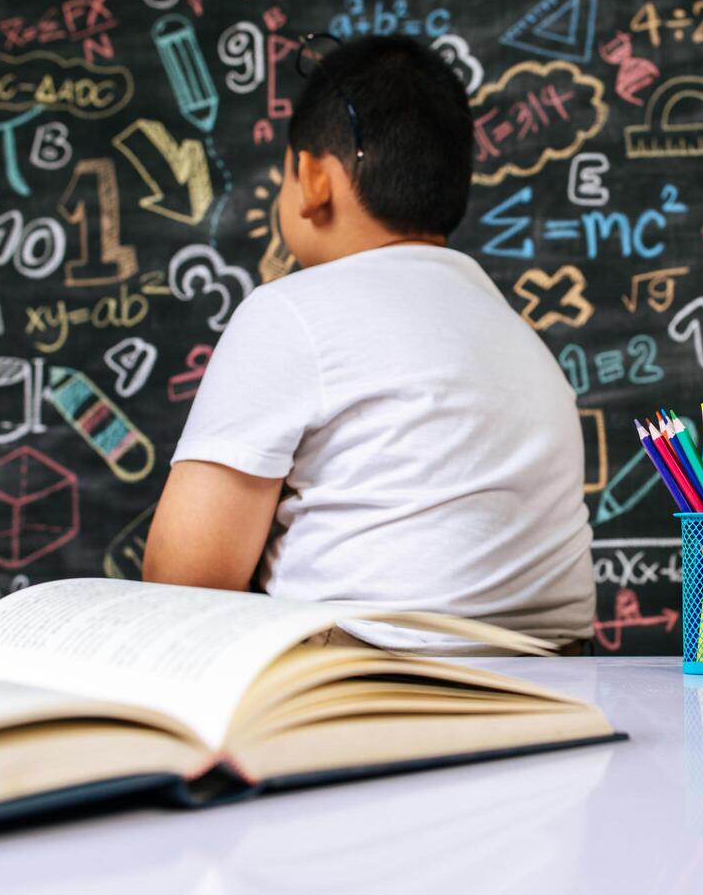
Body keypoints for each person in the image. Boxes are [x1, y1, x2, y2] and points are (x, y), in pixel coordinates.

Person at [142, 35, 594, 655]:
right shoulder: (525, 344)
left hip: (364, 702)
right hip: (563, 700)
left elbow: (183, 582)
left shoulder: (288, 313)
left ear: (312, 180)